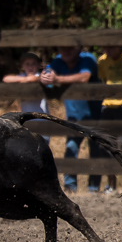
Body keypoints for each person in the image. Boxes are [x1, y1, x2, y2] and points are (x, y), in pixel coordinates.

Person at [39, 46, 101, 193]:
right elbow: (48, 75)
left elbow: (84, 77)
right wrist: (43, 78)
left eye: (70, 48)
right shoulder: (58, 61)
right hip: (73, 117)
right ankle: (70, 186)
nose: (66, 51)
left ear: (78, 49)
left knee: (96, 151)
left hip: (94, 115)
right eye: (62, 48)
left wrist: (57, 79)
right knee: (71, 149)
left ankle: (93, 188)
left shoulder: (88, 58)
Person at [93, 46, 122, 193]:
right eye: (106, 48)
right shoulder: (102, 61)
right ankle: (111, 184)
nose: (108, 51)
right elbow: (105, 80)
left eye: (111, 48)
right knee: (104, 144)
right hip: (108, 104)